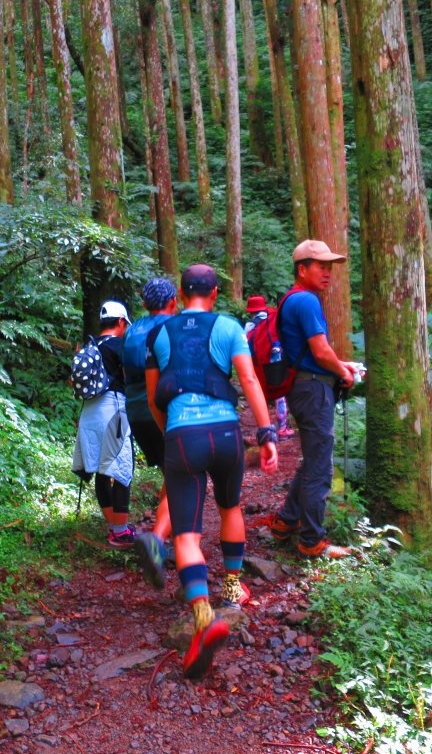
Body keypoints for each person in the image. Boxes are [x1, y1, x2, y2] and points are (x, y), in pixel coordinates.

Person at [147, 264, 279, 679]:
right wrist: (266, 432)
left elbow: (154, 398)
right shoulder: (228, 326)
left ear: (182, 293)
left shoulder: (159, 332)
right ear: (215, 293)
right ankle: (233, 585)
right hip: (225, 433)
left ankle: (203, 615)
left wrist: (171, 431)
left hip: (182, 433)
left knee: (186, 532)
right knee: (230, 506)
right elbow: (249, 380)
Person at [267, 240, 358, 559]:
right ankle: (311, 539)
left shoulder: (293, 300)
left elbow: (316, 353)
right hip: (313, 389)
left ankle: (286, 522)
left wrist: (339, 365)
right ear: (302, 269)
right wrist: (344, 372)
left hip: (305, 386)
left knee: (313, 460)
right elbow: (319, 351)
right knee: (320, 466)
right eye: (321, 266)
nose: (328, 273)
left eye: (330, 267)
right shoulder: (305, 301)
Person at [121, 278, 178, 588]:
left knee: (171, 472)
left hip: (136, 410)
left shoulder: (131, 330)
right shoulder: (173, 328)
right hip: (163, 409)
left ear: (144, 304)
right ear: (173, 302)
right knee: (181, 475)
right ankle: (158, 540)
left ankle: (166, 537)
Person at [72, 301, 137, 548]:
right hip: (114, 411)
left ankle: (114, 525)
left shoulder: (90, 346)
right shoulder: (120, 346)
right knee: (122, 470)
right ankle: (120, 532)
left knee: (101, 468)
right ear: (121, 322)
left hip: (90, 412)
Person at [244, 295, 295, 441]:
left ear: (251, 310)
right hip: (275, 361)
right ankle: (283, 429)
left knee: (259, 393)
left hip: (257, 363)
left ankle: (264, 429)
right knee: (280, 396)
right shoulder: (275, 319)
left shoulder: (250, 325)